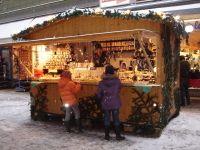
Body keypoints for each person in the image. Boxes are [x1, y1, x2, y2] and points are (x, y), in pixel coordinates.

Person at [97, 65, 125, 141]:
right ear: (113, 71)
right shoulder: (117, 81)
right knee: (116, 119)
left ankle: (107, 136)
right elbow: (119, 89)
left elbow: (99, 94)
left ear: (105, 72)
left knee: (106, 119)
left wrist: (102, 97)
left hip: (106, 102)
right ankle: (118, 136)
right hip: (115, 101)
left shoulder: (101, 82)